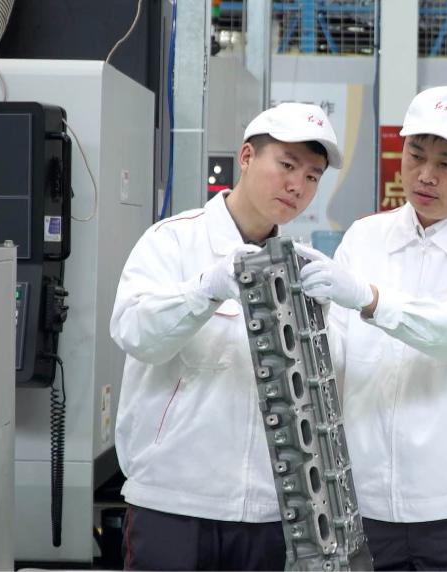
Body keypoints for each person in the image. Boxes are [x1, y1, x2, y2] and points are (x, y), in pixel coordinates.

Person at [295, 86, 447, 571]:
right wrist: (307, 319)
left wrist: (371, 299)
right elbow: (336, 356)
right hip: (364, 502)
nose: (426, 175)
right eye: (415, 155)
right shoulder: (366, 237)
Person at [109, 102, 341, 571]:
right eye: (287, 165)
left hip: (270, 512)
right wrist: (204, 290)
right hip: (172, 503)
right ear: (247, 157)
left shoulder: (302, 269)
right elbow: (134, 332)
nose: (297, 186)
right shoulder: (173, 241)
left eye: (313, 176)